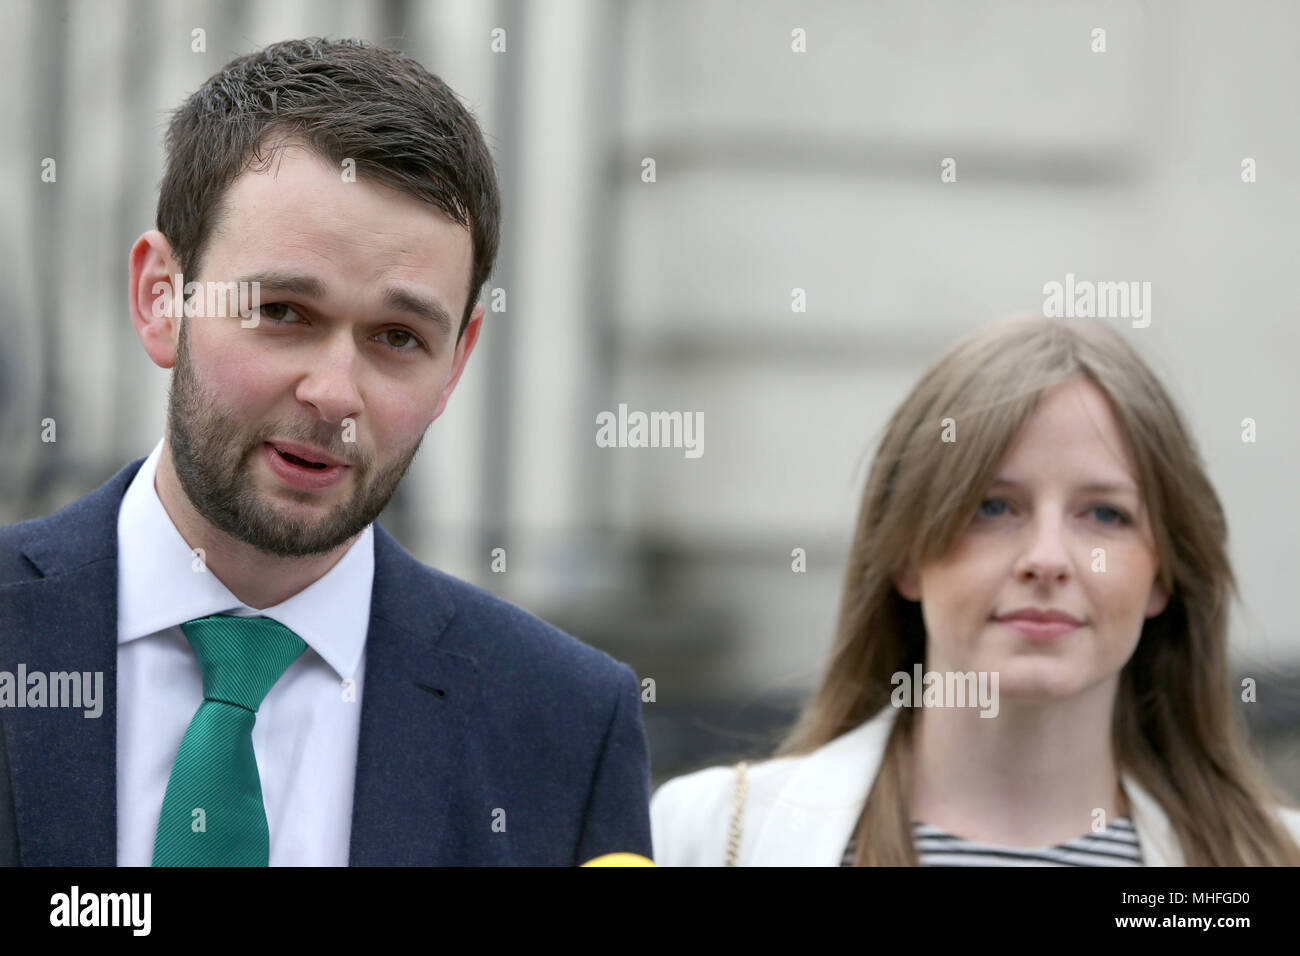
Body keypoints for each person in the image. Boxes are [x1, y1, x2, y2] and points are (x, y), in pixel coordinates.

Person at [0, 37, 651, 866]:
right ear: (161, 298)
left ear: (458, 361)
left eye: (397, 337)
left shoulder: (563, 724)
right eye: (283, 312)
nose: (336, 393)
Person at [651, 314, 1300, 866]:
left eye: (1105, 514)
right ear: (906, 554)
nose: (1047, 560)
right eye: (991, 507)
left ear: (1163, 573)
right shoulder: (712, 840)